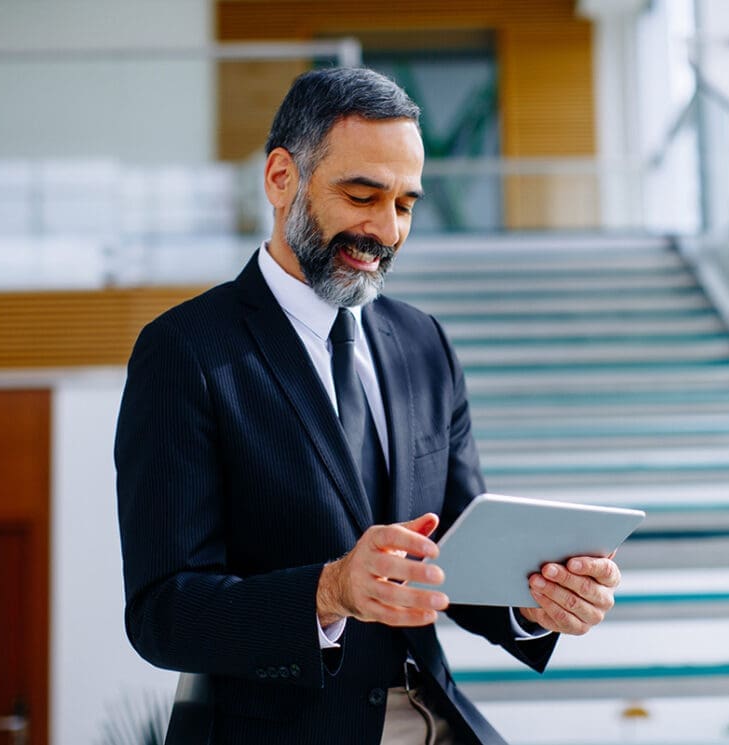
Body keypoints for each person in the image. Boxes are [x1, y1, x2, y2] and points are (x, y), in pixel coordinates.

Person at [115, 67, 621, 745]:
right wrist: (328, 590)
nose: (385, 229)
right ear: (279, 178)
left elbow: (459, 554)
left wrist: (538, 598)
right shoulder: (184, 351)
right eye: (362, 195)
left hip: (436, 716)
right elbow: (162, 613)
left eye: (406, 204)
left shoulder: (423, 343)